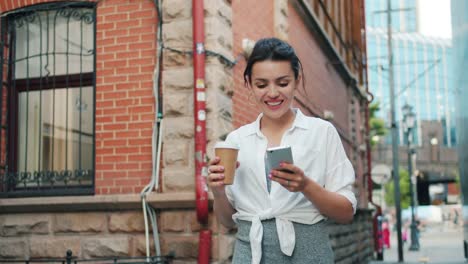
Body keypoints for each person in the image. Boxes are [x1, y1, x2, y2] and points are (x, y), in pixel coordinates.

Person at [207, 37, 357, 264]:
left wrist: (306, 186)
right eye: (261, 85)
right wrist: (217, 191)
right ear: (248, 83)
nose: (273, 93)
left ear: (297, 80)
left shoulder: (322, 132)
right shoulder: (237, 140)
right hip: (250, 254)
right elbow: (228, 222)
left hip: (309, 254)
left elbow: (346, 213)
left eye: (283, 82)